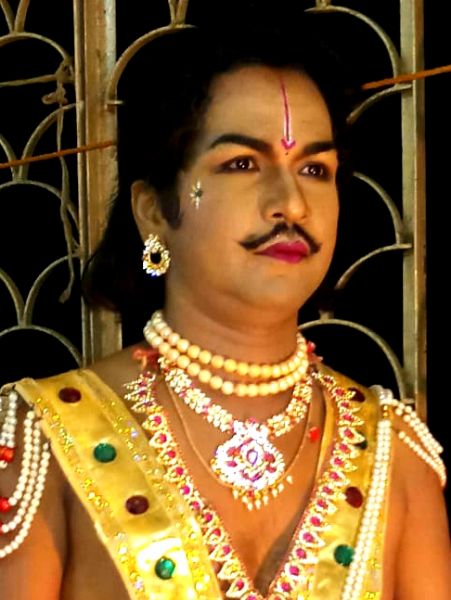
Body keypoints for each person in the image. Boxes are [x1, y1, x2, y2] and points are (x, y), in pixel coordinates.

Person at [1, 11, 450, 600]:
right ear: (154, 210)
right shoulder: (46, 440)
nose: (291, 203)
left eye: (315, 169)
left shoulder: (395, 454)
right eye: (242, 163)